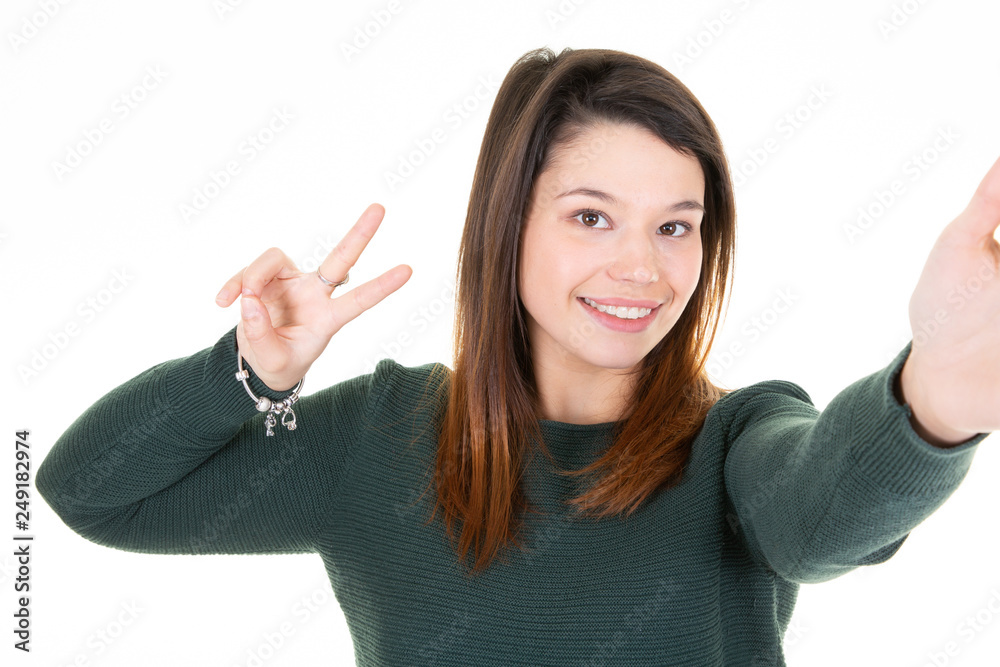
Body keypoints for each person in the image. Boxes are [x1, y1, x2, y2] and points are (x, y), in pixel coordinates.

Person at [36, 46, 999, 666]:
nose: (642, 267)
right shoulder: (378, 437)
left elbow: (820, 517)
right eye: (592, 217)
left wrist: (937, 398)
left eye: (676, 226)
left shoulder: (738, 441)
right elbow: (94, 493)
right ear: (509, 227)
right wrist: (246, 373)